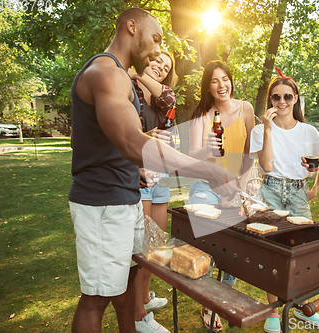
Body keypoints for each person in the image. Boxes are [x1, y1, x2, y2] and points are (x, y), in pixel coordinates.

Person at [69, 8, 236, 333]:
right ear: (132, 27)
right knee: (97, 299)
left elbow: (113, 143)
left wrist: (136, 167)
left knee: (128, 287)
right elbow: (133, 144)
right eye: (155, 37)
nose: (159, 47)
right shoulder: (106, 71)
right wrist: (209, 170)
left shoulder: (119, 75)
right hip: (102, 205)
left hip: (124, 197)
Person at [249, 68, 319, 333]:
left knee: (303, 253)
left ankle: (303, 306)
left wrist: (314, 188)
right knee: (272, 252)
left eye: (287, 97)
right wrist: (269, 129)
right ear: (270, 100)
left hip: (297, 192)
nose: (281, 102)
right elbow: (267, 165)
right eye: (276, 97)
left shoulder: (309, 132)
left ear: (296, 98)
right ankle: (273, 311)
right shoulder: (261, 130)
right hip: (269, 190)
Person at [188, 60, 255, 332]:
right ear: (207, 85)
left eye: (225, 78)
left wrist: (243, 185)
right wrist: (206, 148)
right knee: (208, 251)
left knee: (234, 254)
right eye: (214, 80)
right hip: (205, 189)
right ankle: (208, 304)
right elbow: (190, 158)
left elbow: (251, 153)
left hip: (237, 188)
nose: (221, 85)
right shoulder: (201, 115)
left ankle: (222, 299)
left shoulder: (246, 109)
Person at [129, 50, 178, 331]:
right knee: (141, 249)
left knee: (155, 245)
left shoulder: (161, 97)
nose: (160, 67)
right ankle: (138, 318)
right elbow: (127, 135)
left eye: (166, 66)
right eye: (157, 60)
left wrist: (140, 74)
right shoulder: (130, 88)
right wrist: (136, 75)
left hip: (161, 175)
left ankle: (144, 298)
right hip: (140, 175)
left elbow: (170, 98)